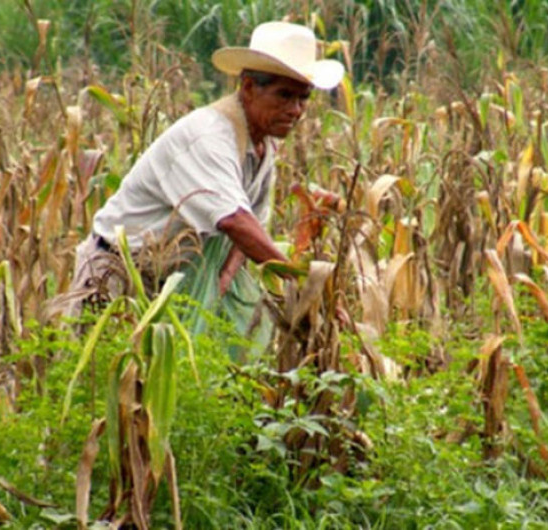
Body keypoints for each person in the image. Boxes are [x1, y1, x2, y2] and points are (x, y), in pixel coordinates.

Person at [68, 21, 344, 352]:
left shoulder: (262, 147)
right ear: (248, 87)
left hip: (175, 284)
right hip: (118, 277)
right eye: (284, 95)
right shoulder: (209, 136)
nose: (296, 110)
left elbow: (249, 229)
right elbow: (234, 221)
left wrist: (223, 281)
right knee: (102, 378)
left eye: (303, 98)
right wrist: (305, 283)